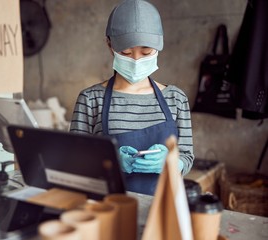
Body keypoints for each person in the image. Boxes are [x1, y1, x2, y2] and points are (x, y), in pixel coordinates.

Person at [69, 0, 194, 195]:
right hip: (108, 208)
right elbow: (74, 160)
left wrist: (172, 162)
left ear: (159, 46)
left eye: (146, 52)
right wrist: (108, 160)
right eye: (125, 52)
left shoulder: (176, 99)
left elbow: (186, 157)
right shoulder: (91, 99)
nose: (136, 60)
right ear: (109, 45)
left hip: (162, 210)